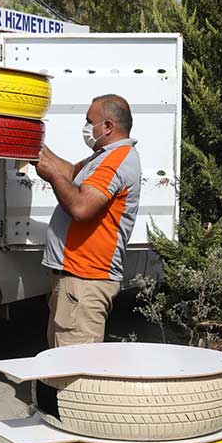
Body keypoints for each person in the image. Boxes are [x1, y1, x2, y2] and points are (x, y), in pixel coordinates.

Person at [34, 94, 142, 348]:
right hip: (76, 280)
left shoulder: (116, 160)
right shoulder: (103, 156)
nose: (85, 127)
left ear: (107, 127)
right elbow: (70, 172)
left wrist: (51, 177)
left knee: (76, 375)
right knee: (59, 366)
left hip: (85, 281)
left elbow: (81, 207)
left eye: (89, 121)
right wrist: (34, 147)